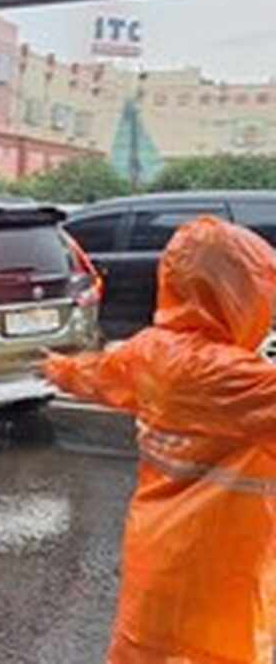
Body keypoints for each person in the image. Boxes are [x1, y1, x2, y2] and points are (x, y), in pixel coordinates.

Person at [43, 216, 276, 664]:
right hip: (222, 567)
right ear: (241, 293)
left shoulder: (150, 351)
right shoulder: (231, 377)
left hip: (156, 550)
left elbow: (98, 374)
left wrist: (55, 367)